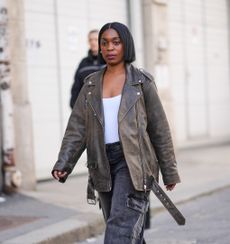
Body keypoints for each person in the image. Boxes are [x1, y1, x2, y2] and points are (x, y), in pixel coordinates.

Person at [52, 22, 181, 244]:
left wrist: (169, 171)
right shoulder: (90, 84)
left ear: (126, 45)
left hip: (133, 163)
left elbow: (159, 129)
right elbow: (77, 127)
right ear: (99, 48)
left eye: (115, 42)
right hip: (101, 164)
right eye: (104, 43)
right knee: (128, 231)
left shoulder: (142, 82)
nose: (109, 47)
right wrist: (64, 162)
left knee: (119, 231)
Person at [70, 29, 104, 109]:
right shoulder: (83, 63)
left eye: (95, 39)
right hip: (88, 111)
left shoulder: (108, 61)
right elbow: (76, 87)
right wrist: (75, 107)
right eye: (90, 40)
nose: (93, 42)